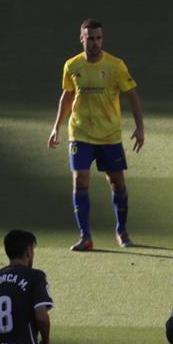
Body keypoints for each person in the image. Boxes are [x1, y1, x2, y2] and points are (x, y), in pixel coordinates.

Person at [48, 19, 145, 251]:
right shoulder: (72, 66)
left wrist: (140, 126)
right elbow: (67, 96)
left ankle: (121, 231)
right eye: (90, 38)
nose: (95, 43)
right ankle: (85, 237)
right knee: (79, 180)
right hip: (80, 133)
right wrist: (56, 127)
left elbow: (132, 94)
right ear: (81, 38)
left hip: (109, 135)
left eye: (98, 38)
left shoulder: (115, 66)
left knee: (116, 182)